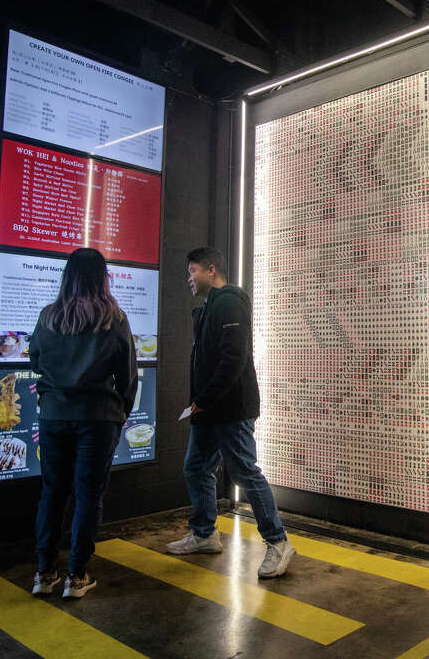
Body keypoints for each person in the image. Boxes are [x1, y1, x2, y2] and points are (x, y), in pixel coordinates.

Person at [166, 247, 296, 578]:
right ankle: (204, 533)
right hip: (209, 410)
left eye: (193, 270)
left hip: (229, 409)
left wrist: (204, 398)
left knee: (244, 473)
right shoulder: (210, 306)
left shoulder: (230, 300)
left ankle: (278, 541)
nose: (189, 278)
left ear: (211, 270)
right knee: (196, 468)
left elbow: (233, 359)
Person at [28, 248, 137, 599]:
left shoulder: (48, 317)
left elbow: (35, 360)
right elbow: (128, 376)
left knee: (52, 493)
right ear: (101, 278)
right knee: (88, 495)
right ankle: (77, 576)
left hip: (54, 416)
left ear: (67, 277)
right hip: (99, 417)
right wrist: (121, 412)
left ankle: (44, 574)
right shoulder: (113, 318)